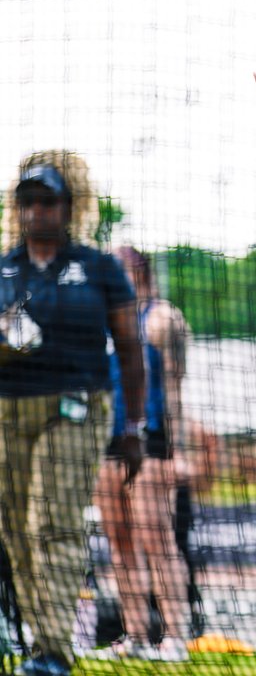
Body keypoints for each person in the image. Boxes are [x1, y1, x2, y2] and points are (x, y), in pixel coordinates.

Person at [0, 151, 144, 676]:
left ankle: (54, 651)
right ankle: (39, 642)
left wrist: (133, 429)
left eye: (48, 201)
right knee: (15, 530)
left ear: (68, 205)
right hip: (9, 409)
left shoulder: (99, 267)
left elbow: (129, 348)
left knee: (56, 524)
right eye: (28, 201)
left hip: (78, 406)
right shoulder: (3, 268)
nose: (37, 211)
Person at [93, 246, 195, 661]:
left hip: (151, 441)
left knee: (157, 538)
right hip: (107, 442)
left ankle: (176, 636)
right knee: (118, 542)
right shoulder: (103, 321)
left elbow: (173, 389)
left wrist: (179, 449)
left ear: (139, 271)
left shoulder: (160, 318)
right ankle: (134, 635)